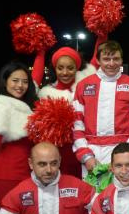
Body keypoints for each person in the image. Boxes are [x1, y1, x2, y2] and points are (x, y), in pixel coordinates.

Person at [72, 41, 129, 175]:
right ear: (98, 60)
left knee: (125, 195)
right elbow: (76, 123)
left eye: (116, 59)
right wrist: (85, 155)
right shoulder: (83, 86)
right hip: (92, 153)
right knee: (94, 195)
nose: (111, 63)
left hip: (124, 153)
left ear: (121, 60)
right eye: (106, 59)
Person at [0, 61, 40, 202]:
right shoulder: (1, 105)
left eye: (24, 82)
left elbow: (36, 78)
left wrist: (41, 52)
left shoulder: (23, 105)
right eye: (15, 80)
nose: (20, 85)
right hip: (9, 174)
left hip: (26, 171)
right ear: (5, 82)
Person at [38, 47, 97, 177]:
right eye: (60, 68)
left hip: (85, 151)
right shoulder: (46, 94)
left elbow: (96, 60)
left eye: (70, 68)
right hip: (58, 153)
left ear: (77, 68)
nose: (65, 72)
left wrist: (102, 34)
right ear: (55, 68)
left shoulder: (84, 90)